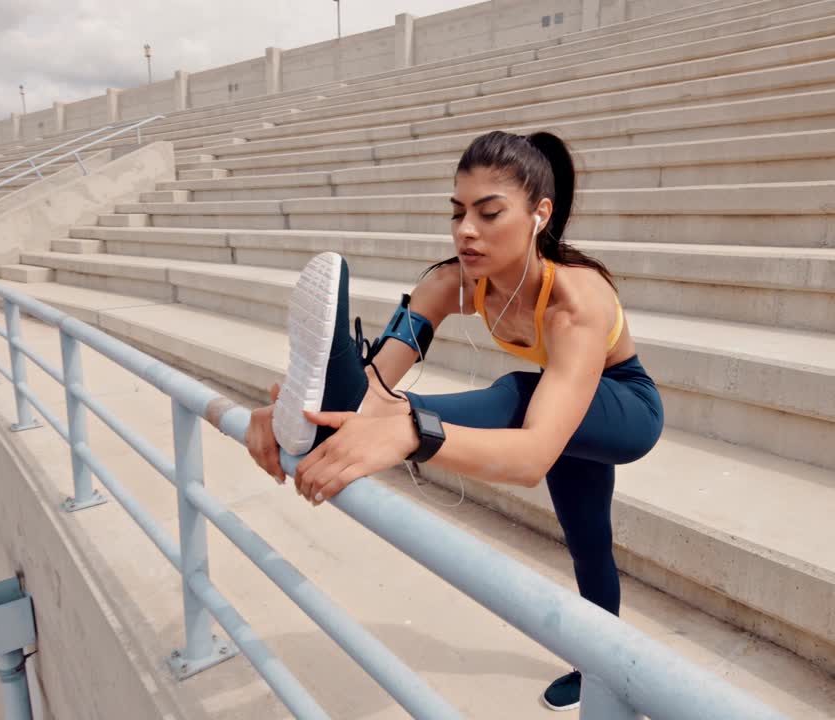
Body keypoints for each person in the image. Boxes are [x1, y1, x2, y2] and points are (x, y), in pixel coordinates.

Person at [245, 130, 664, 712]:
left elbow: (533, 456)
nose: (467, 229)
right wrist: (305, 404)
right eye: (458, 212)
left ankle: (383, 421)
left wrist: (414, 430)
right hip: (558, 404)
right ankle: (599, 669)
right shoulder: (454, 281)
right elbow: (377, 382)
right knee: (588, 543)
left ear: (539, 214)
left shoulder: (577, 300)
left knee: (519, 392)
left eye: (489, 213)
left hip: (624, 409)